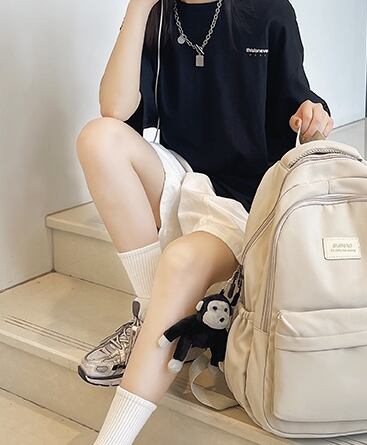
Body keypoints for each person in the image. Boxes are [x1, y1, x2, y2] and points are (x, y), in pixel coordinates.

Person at [75, 0, 333, 443]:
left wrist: (313, 116)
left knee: (180, 261)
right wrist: (138, 8)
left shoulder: (268, 10)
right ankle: (153, 315)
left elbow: (300, 100)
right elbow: (115, 110)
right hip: (183, 179)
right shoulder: (159, 16)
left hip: (244, 200)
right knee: (97, 138)